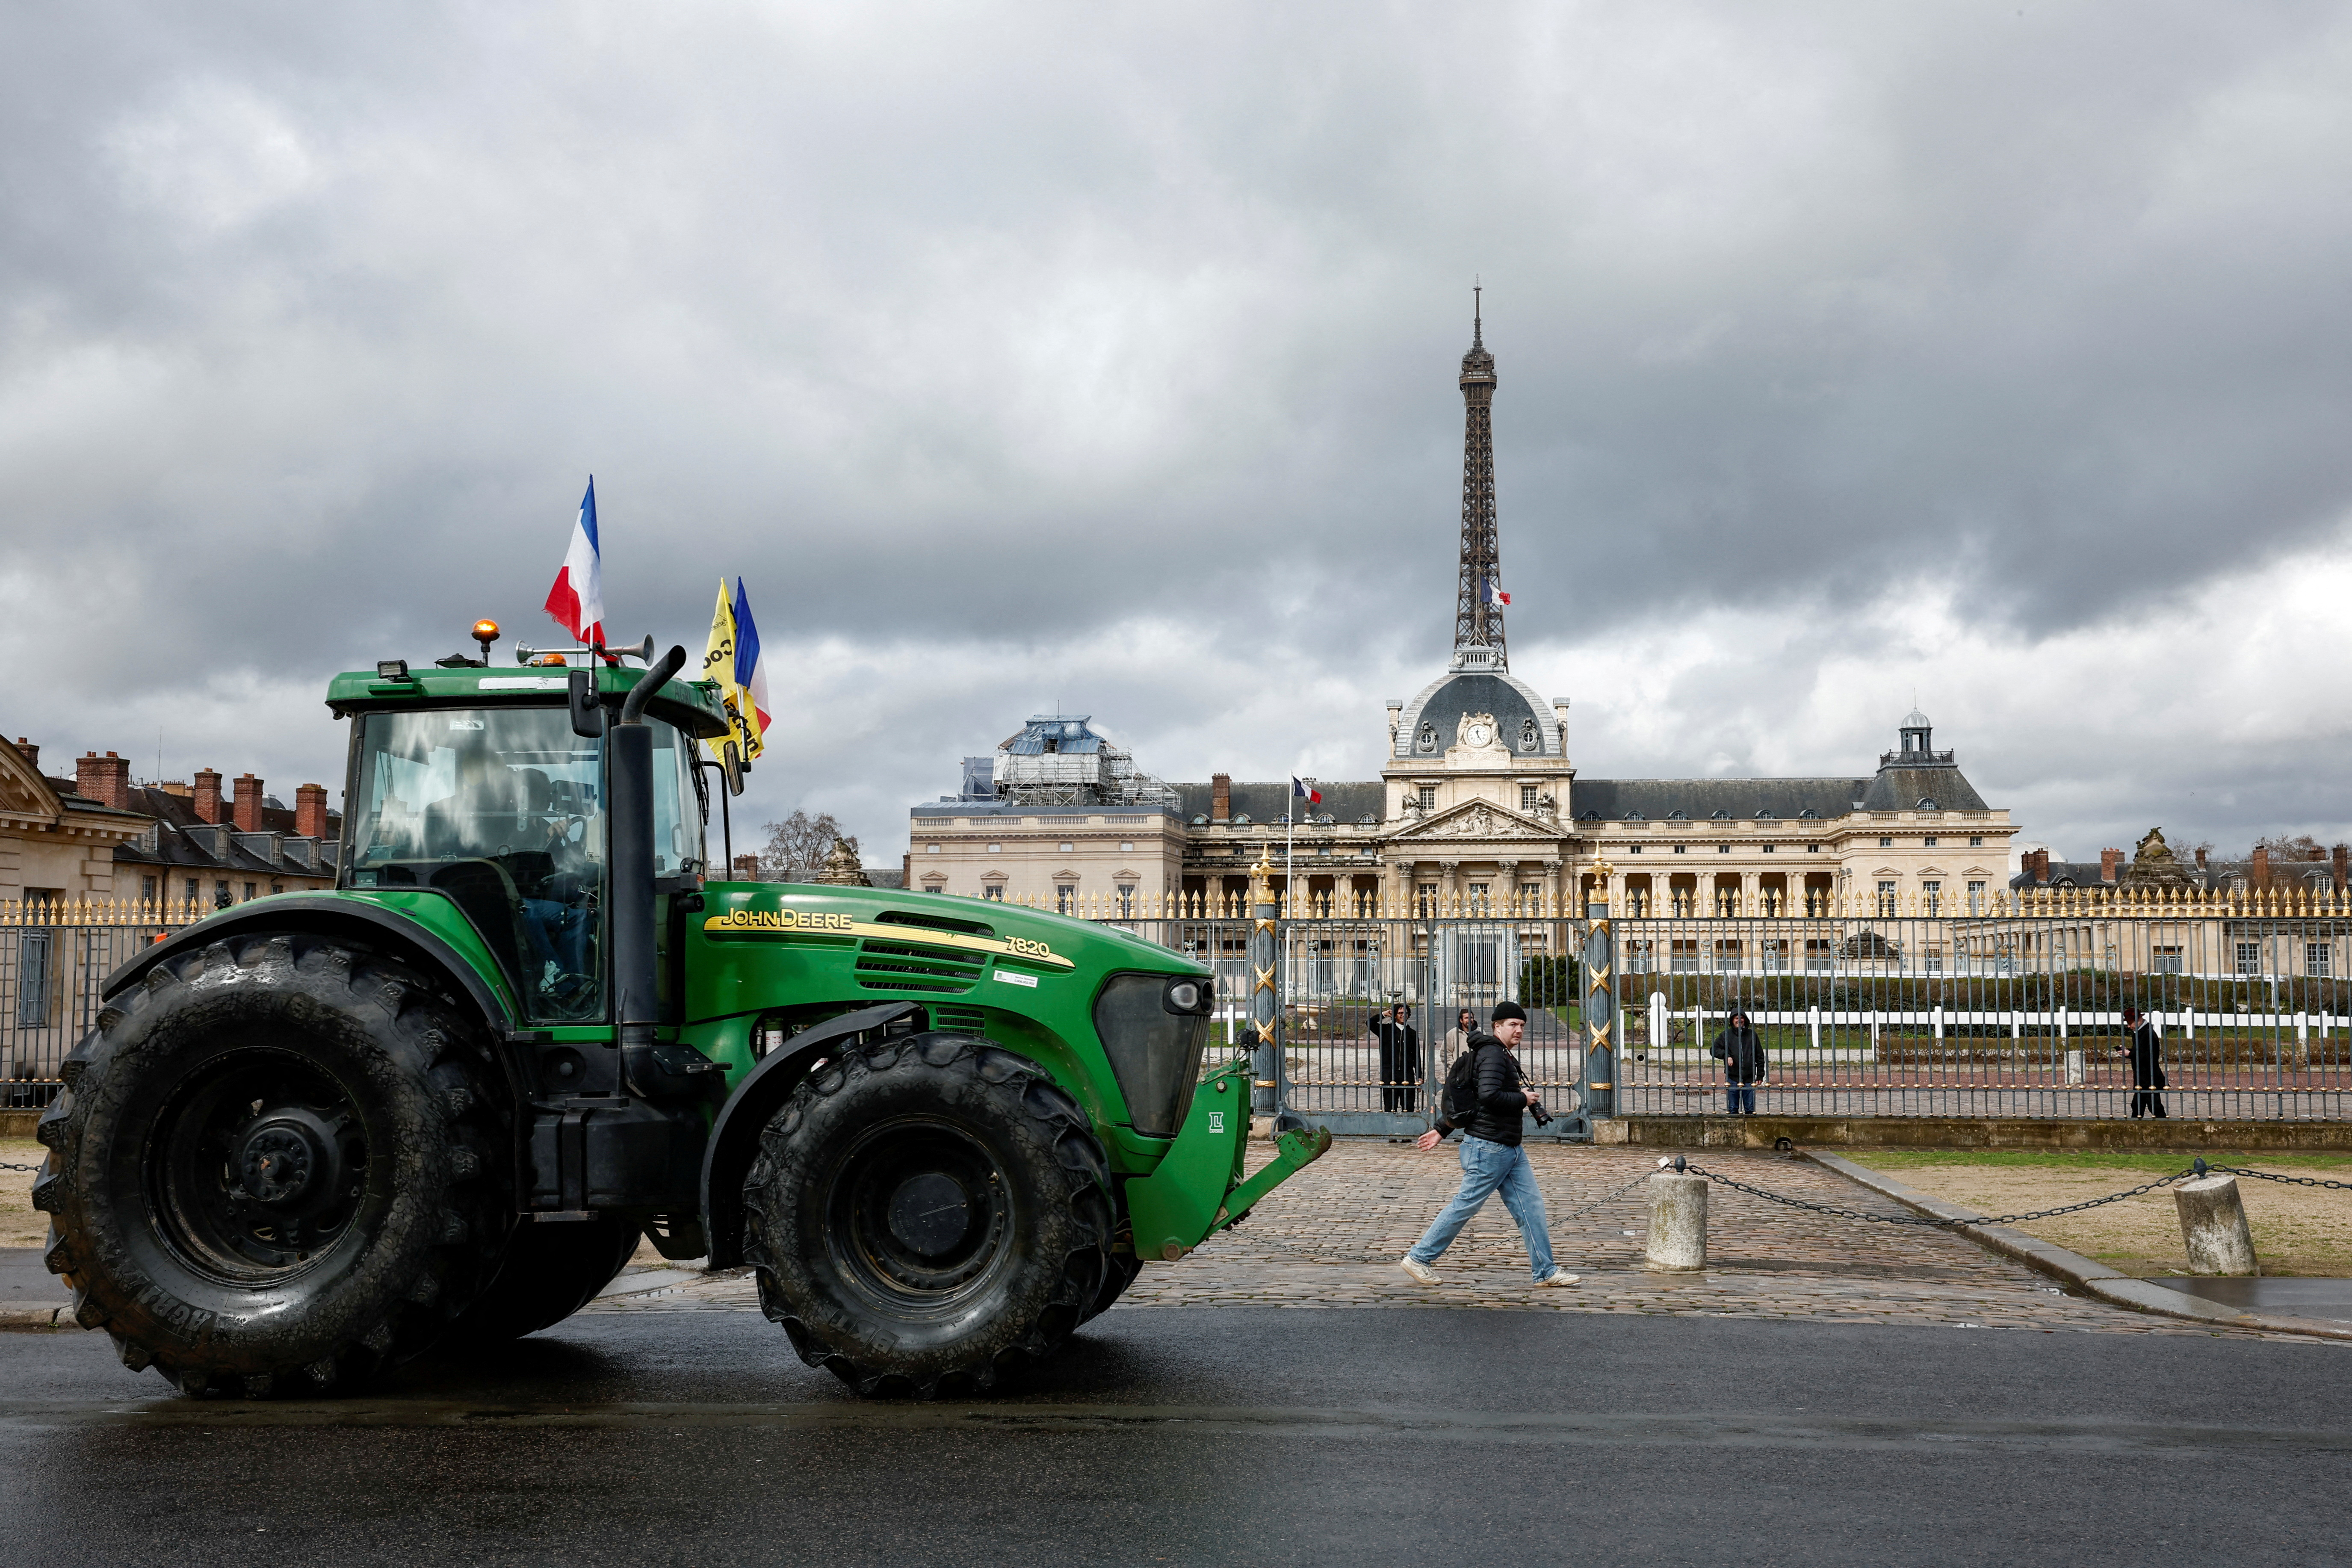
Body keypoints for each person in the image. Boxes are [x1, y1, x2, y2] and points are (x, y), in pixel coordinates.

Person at [1399, 1001, 1578, 1289]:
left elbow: (1473, 1101)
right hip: (1489, 1146)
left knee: (1531, 1208)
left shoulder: (1497, 1053)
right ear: (1497, 1027)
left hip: (1507, 1146)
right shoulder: (1494, 1054)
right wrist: (1524, 1099)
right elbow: (1489, 1096)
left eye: (1522, 1025)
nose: (1519, 1030)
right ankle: (1420, 1257)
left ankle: (1545, 1270)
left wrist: (1441, 1130)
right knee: (1465, 1206)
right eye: (1512, 1025)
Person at [1710, 1009, 1765, 1116]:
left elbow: (1760, 1057)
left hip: (1749, 1077)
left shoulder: (1752, 1035)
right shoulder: (1726, 1035)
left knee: (1750, 1109)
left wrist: (1760, 1075)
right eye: (1736, 1018)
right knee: (1733, 1109)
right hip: (1733, 1076)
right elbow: (1714, 1050)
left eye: (1741, 1018)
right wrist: (1726, 1055)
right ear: (1732, 1020)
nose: (1739, 1020)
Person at [1369, 1003, 1421, 1112]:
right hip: (1389, 1072)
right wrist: (1384, 1014)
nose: (1403, 1015)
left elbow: (1417, 1056)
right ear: (1395, 1015)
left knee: (1408, 1106)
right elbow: (1370, 1023)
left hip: (1407, 1073)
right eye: (1401, 1013)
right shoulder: (1385, 1030)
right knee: (1390, 1106)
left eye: (1406, 1013)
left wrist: (1419, 1076)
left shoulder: (1412, 1033)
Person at [2117, 1006, 2167, 1119]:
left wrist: (2129, 1054)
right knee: (2139, 1105)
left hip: (2148, 1076)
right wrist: (2129, 1051)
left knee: (2153, 1105)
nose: (2129, 1026)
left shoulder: (2147, 1033)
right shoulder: (2140, 1032)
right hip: (2143, 1075)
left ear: (2139, 1020)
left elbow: (2147, 1055)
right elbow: (2141, 1051)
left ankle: (2164, 1125)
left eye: (2130, 1023)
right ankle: (2136, 1124)